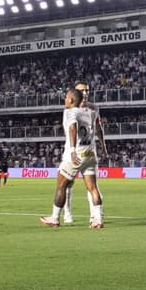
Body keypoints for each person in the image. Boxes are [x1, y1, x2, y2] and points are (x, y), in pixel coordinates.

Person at [39, 88, 104, 228]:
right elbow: (97, 128)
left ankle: (55, 218)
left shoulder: (70, 112)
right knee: (93, 188)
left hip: (75, 155)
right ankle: (98, 220)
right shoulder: (91, 112)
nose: (64, 99)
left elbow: (73, 128)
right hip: (90, 154)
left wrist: (73, 150)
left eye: (66, 97)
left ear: (72, 100)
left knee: (61, 186)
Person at [62, 81, 107, 224]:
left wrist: (103, 146)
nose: (85, 93)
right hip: (72, 152)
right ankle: (67, 213)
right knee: (68, 184)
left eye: (87, 90)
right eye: (82, 90)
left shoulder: (94, 108)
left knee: (92, 185)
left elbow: (98, 128)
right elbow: (70, 129)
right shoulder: (69, 110)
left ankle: (95, 214)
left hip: (88, 152)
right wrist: (73, 149)